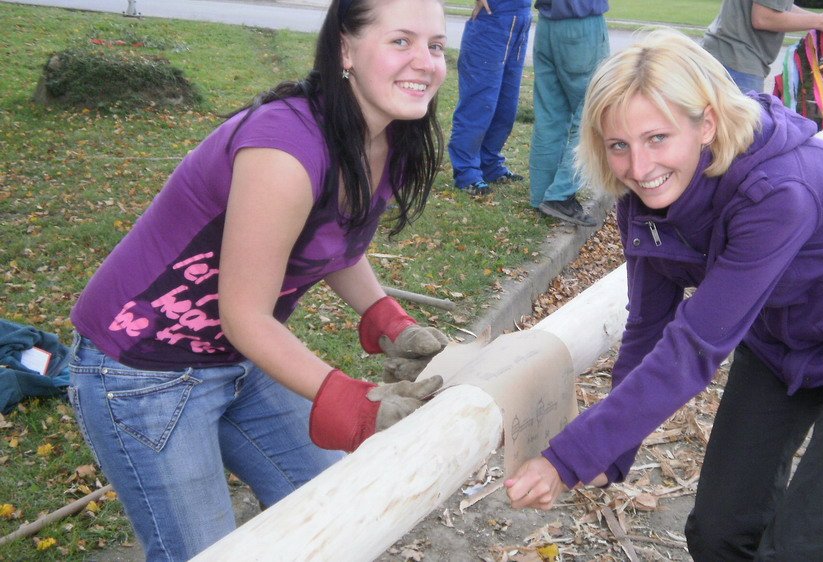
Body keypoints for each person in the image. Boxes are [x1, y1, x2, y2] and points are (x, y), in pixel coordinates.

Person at [505, 30, 823, 561]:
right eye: (618, 145)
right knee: (717, 533)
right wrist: (613, 449)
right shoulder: (644, 198)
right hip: (782, 340)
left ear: (707, 125)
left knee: (800, 549)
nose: (639, 168)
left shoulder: (778, 193)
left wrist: (567, 458)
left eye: (657, 138)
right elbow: (650, 327)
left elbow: (693, 349)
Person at [66, 0, 449, 558]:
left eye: (436, 46)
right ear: (345, 47)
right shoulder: (283, 147)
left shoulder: (390, 140)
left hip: (237, 356)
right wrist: (352, 400)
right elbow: (244, 313)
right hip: (142, 371)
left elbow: (333, 244)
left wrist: (385, 317)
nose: (425, 62)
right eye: (401, 41)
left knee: (333, 506)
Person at [529, 0, 609, 227]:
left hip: (547, 23)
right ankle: (560, 194)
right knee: (591, 113)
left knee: (549, 115)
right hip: (581, 25)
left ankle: (542, 195)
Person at [447, 0, 532, 196]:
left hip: (520, 21)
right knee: (478, 105)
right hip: (491, 22)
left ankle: (489, 164)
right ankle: (466, 172)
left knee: (506, 107)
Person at [703, 0, 823, 93]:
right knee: (739, 140)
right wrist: (820, 21)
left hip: (724, 56)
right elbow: (763, 18)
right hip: (736, 62)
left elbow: (778, 6)